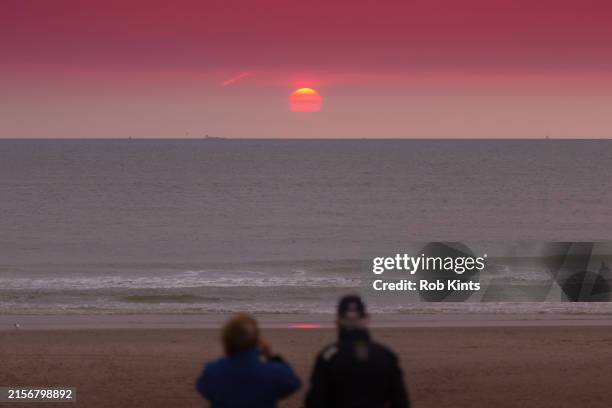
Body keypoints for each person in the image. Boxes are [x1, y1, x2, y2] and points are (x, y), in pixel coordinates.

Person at [305, 295, 410, 408]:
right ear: (366, 319)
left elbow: (314, 400)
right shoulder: (385, 355)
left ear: (337, 321)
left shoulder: (328, 356)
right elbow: (400, 401)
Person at [196, 313, 301, 408]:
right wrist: (270, 355)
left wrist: (228, 355)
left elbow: (203, 388)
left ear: (226, 341)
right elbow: (293, 383)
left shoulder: (212, 371)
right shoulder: (274, 372)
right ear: (256, 341)